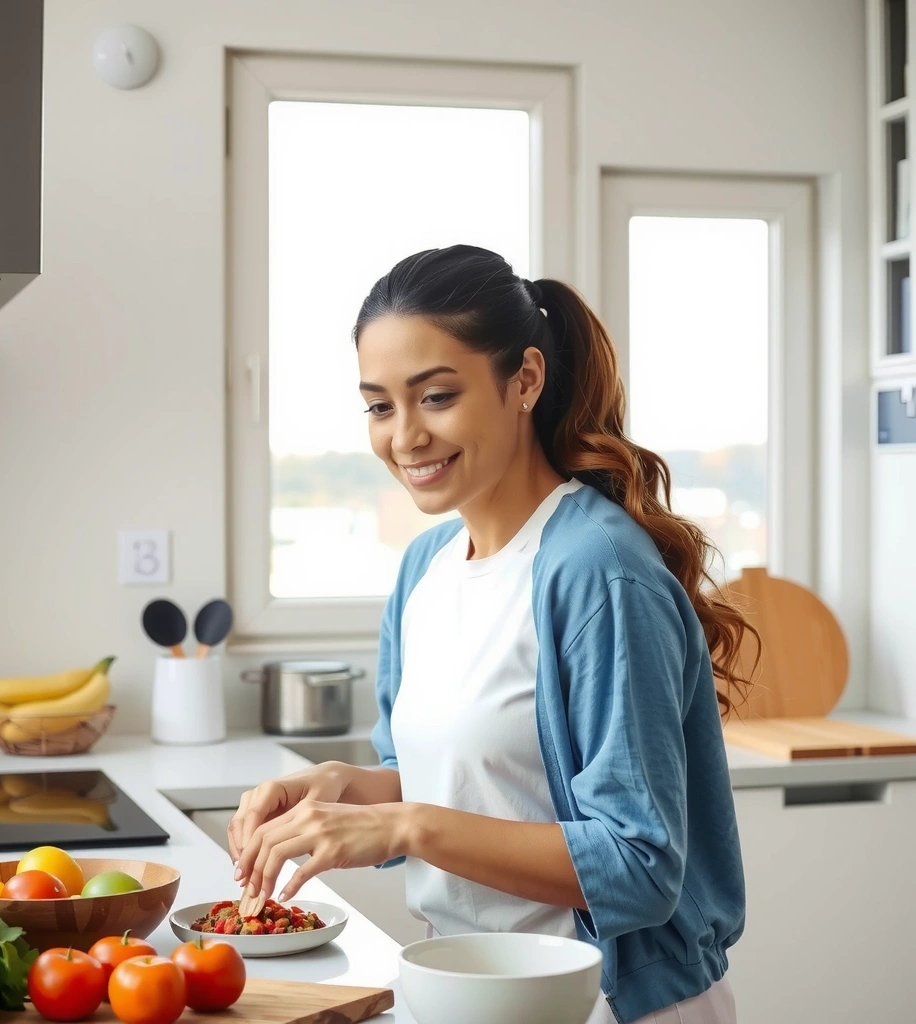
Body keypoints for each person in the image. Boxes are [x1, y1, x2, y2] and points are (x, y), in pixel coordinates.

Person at [228, 245, 753, 1024]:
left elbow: (640, 865)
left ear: (526, 381)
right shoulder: (425, 568)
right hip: (463, 986)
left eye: (435, 396)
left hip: (605, 1004)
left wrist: (402, 823)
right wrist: (346, 789)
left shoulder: (597, 571)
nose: (405, 437)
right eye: (379, 406)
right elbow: (463, 784)